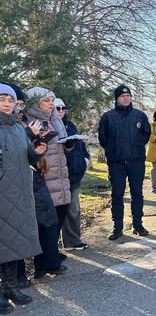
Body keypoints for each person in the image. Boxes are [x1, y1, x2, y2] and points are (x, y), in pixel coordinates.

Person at [0, 84, 46, 314]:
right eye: (2, 99)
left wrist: (38, 151)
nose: (8, 104)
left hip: (19, 190)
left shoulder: (18, 128)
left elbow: (27, 154)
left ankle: (9, 286)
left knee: (12, 242)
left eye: (11, 100)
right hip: (2, 192)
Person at [98, 85, 151, 240]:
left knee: (137, 193)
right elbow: (103, 138)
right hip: (117, 163)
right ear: (117, 98)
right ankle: (117, 227)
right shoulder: (108, 117)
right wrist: (114, 150)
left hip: (136, 162)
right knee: (117, 194)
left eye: (128, 95)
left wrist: (136, 146)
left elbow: (146, 134)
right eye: (122, 96)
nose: (126, 98)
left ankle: (138, 225)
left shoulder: (139, 115)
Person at [25, 87, 72, 245]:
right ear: (36, 103)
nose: (51, 104)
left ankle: (54, 251)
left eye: (52, 100)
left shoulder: (54, 119)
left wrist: (69, 143)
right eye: (46, 100)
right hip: (46, 173)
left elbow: (61, 143)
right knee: (48, 218)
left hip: (60, 173)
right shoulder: (29, 121)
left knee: (61, 211)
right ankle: (48, 256)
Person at [55, 98, 90, 251]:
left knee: (74, 209)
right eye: (57, 108)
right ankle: (52, 248)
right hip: (58, 176)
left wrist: (86, 159)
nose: (61, 111)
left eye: (63, 108)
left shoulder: (70, 125)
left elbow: (80, 144)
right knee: (58, 211)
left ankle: (72, 241)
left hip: (75, 175)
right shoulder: (50, 126)